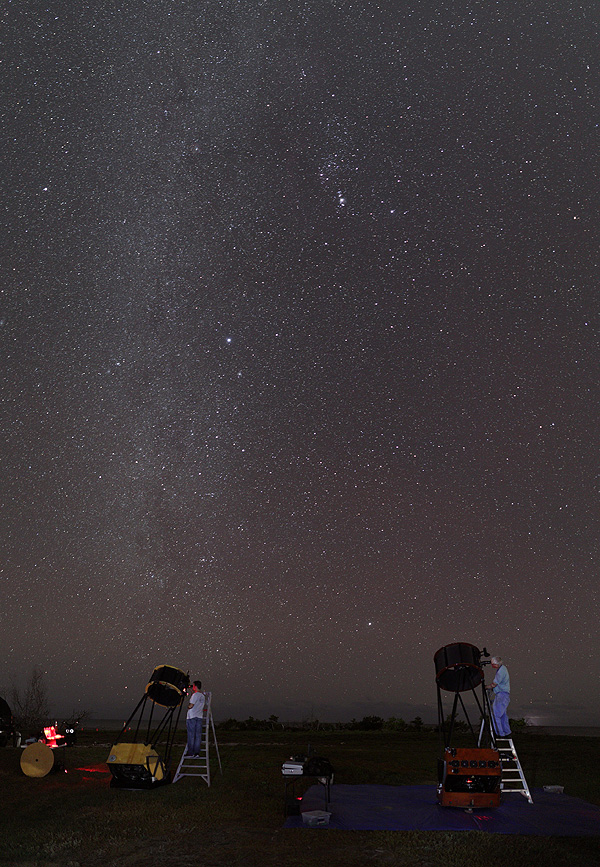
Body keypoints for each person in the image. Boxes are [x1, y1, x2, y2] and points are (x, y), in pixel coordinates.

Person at [487, 656, 511, 737]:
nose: (492, 666)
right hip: (504, 695)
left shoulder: (501, 671)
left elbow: (494, 684)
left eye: (493, 664)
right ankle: (506, 732)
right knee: (503, 715)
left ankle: (499, 733)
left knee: (496, 714)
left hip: (501, 695)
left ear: (498, 663)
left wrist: (486, 687)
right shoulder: (502, 669)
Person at [186, 680, 205, 757]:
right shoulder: (202, 696)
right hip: (199, 717)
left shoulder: (195, 695)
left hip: (192, 717)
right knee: (198, 736)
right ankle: (196, 753)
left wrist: (188, 706)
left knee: (191, 735)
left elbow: (191, 705)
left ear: (195, 686)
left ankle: (191, 752)